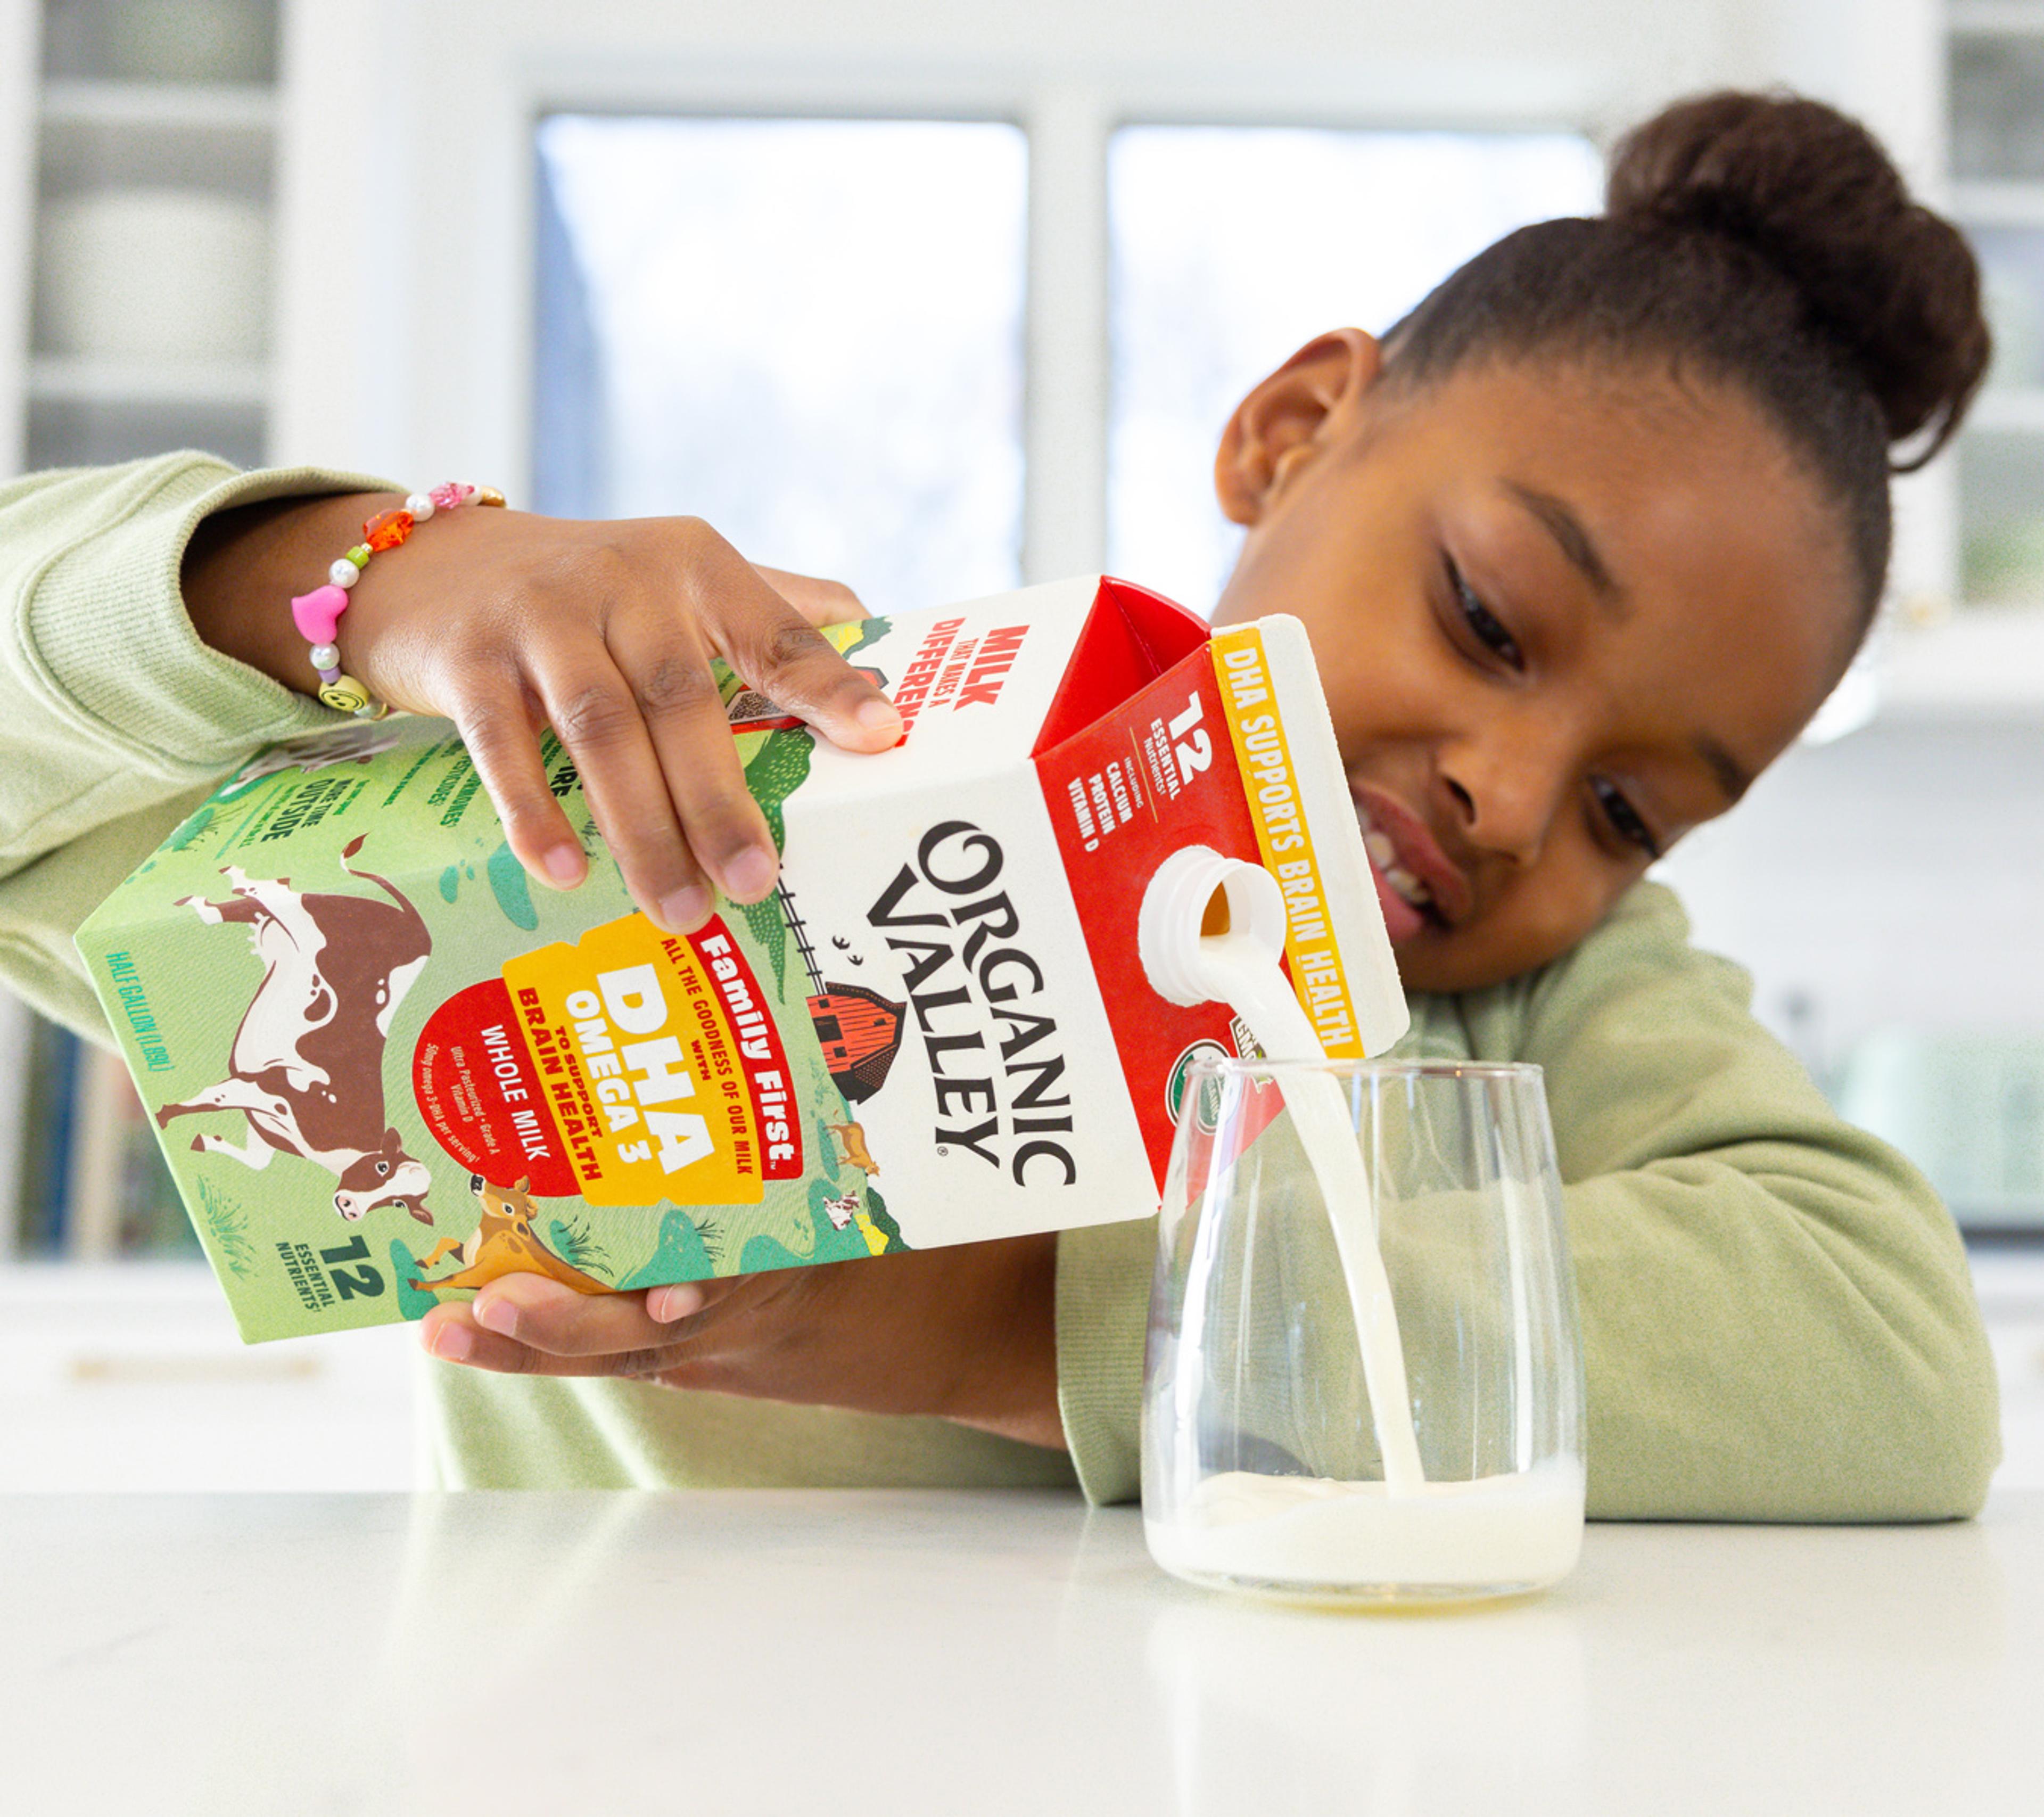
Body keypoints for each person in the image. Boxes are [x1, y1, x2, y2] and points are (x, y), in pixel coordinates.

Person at [0, 90, 2001, 1515]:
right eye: (1490, 618)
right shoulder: (733, 777)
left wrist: (1011, 1321)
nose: (1512, 800)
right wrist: (360, 580)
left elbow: (1890, 1367)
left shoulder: (1523, 1015)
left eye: (1636, 814)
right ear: (1292, 431)